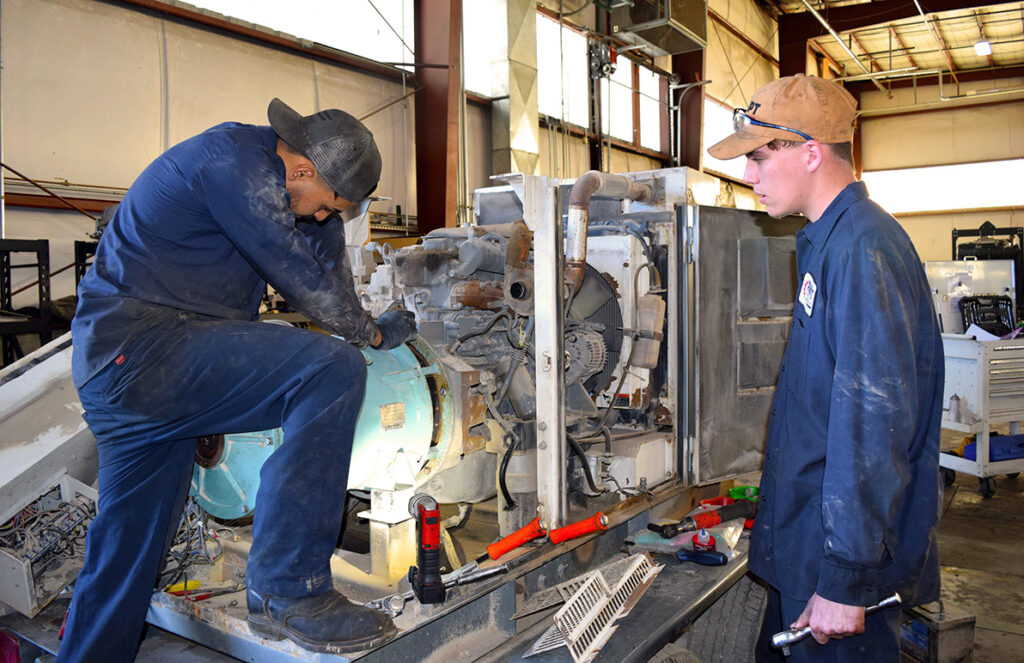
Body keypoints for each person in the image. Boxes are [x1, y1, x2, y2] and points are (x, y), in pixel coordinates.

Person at [59, 99, 418, 662]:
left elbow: (328, 271)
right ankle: (287, 586)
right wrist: (369, 337)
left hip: (130, 373)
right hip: (144, 348)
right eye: (326, 206)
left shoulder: (288, 183)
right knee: (331, 368)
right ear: (301, 170)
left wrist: (359, 314)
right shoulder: (234, 164)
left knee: (128, 555)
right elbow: (305, 283)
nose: (323, 218)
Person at [708, 74, 944, 662]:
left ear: (811, 151)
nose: (749, 174)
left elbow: (874, 428)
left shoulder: (863, 250)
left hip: (835, 564)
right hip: (809, 543)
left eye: (761, 157)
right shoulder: (829, 243)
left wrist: (844, 578)